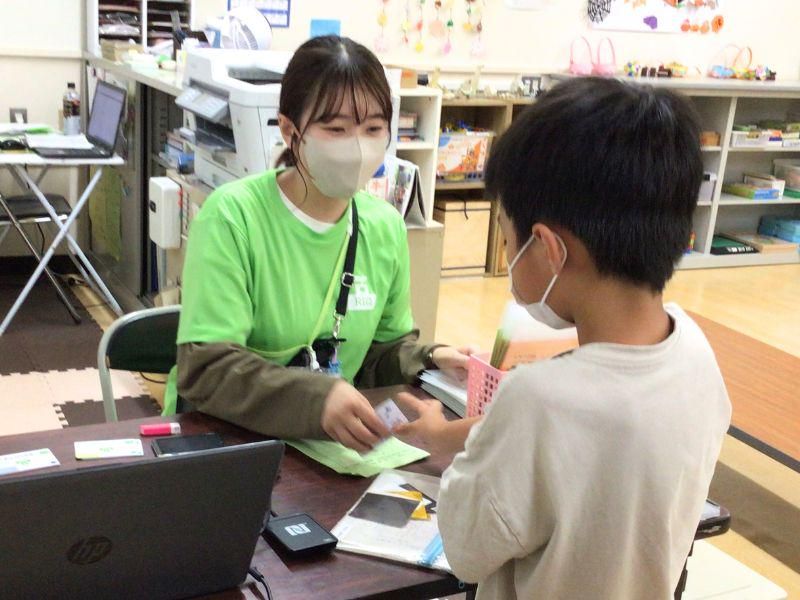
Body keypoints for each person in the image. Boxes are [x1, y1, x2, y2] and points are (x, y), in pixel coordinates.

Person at [394, 77, 732, 599]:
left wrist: (465, 455)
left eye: (508, 238)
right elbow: (585, 436)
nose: (508, 255)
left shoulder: (538, 398)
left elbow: (465, 547)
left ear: (550, 249)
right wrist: (448, 435)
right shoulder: (694, 352)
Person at [170, 35, 469, 452]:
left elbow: (381, 355)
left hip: (329, 448)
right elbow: (207, 370)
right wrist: (317, 398)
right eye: (336, 129)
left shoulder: (384, 226)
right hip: (230, 441)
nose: (358, 147)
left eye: (373, 129)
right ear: (290, 130)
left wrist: (430, 359)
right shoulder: (232, 217)